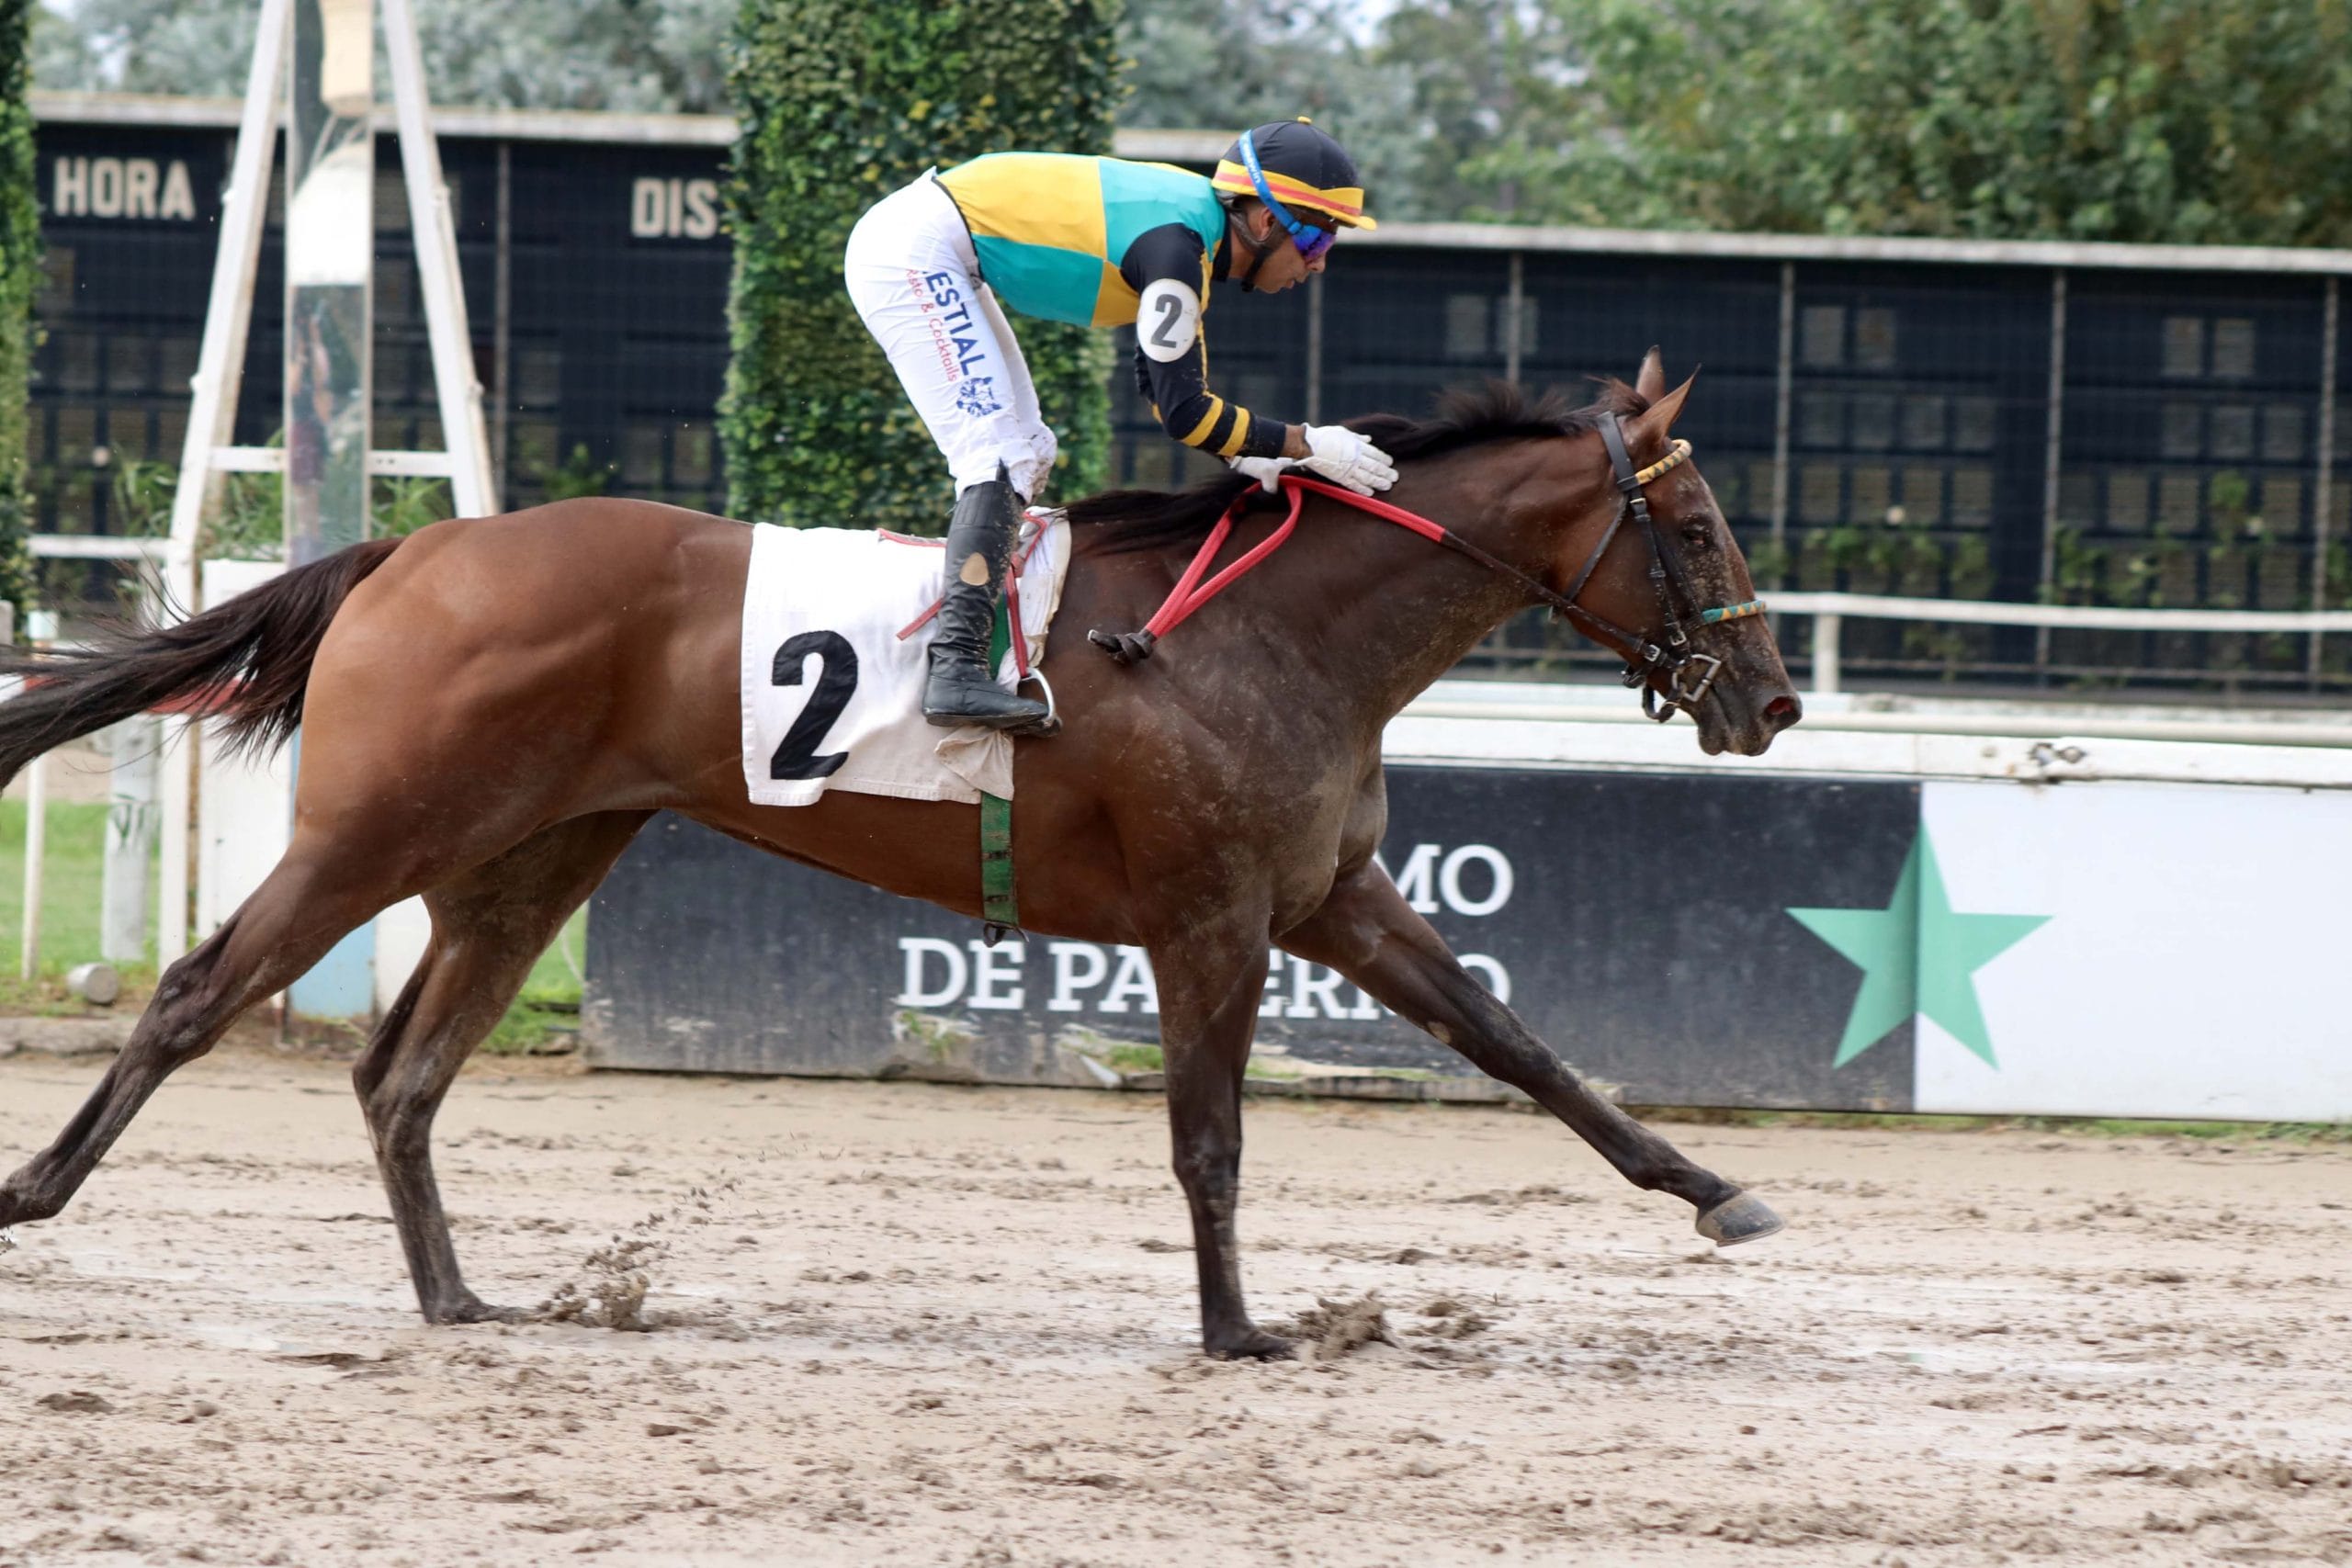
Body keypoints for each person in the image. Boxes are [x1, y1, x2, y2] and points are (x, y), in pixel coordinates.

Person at [844, 118, 1399, 732]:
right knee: (996, 454)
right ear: (1267, 221)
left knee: (1025, 450)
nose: (1319, 265)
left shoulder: (1195, 245)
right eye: (1320, 243)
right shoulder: (1178, 249)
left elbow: (1165, 393)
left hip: (936, 243)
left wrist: (1248, 456)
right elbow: (1187, 411)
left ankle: (975, 650)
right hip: (916, 249)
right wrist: (1303, 443)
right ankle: (954, 671)